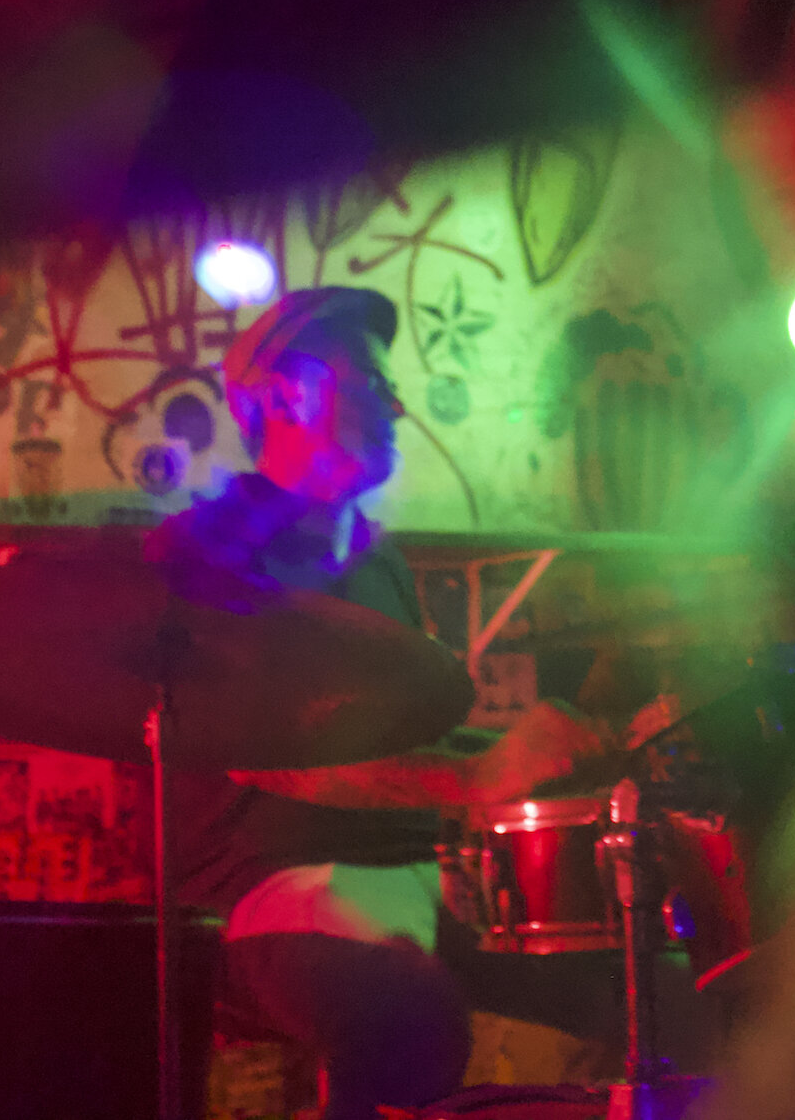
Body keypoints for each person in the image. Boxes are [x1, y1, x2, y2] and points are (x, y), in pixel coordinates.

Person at [147, 286, 605, 1120]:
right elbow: (266, 750)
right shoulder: (221, 544)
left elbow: (407, 740)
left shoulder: (377, 561)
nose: (395, 402)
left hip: (420, 877)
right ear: (287, 392)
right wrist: (477, 779)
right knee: (404, 1010)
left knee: (664, 979)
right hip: (272, 887)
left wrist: (539, 757)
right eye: (367, 378)